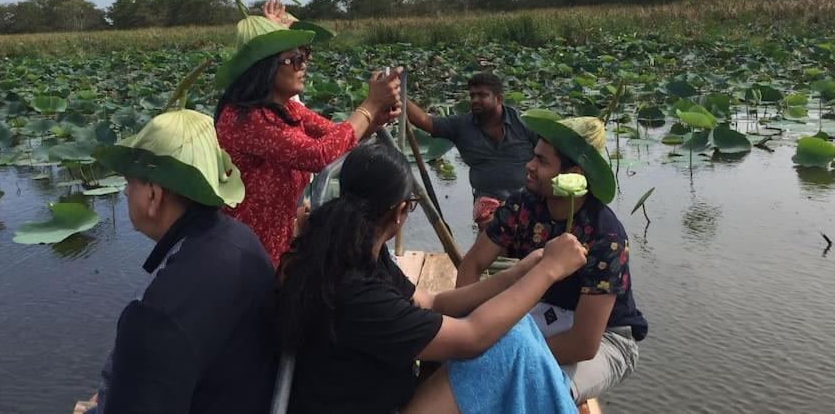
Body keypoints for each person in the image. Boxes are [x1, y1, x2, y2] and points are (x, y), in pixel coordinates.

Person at [276, 142, 589, 414]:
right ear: (400, 211)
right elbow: (472, 336)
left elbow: (433, 302)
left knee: (516, 330)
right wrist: (549, 272)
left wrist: (519, 273)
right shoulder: (358, 292)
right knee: (511, 345)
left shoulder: (352, 250)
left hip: (371, 393)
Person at [90, 105, 277, 414]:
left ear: (153, 195)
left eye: (130, 182)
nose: (124, 192)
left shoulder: (154, 316)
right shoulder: (243, 240)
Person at [456, 116, 648, 404]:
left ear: (575, 174)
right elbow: (472, 265)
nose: (530, 167)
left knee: (539, 393)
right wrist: (463, 330)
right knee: (465, 367)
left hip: (605, 338)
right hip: (546, 311)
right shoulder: (523, 205)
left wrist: (507, 356)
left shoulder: (605, 235)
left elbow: (584, 343)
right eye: (534, 157)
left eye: (542, 163)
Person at [213, 27, 401, 265]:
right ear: (266, 69)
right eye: (295, 59)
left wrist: (374, 121)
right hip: (244, 254)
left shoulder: (286, 109)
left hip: (274, 246)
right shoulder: (247, 119)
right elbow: (318, 154)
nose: (303, 65)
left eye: (305, 55)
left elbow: (335, 137)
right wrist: (370, 104)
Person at [406, 72, 539, 230]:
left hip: (527, 200)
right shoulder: (461, 126)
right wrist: (398, 96)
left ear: (499, 98)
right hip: (487, 204)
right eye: (472, 95)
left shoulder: (525, 123)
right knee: (492, 239)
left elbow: (549, 158)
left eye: (482, 95)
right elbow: (425, 121)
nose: (475, 100)